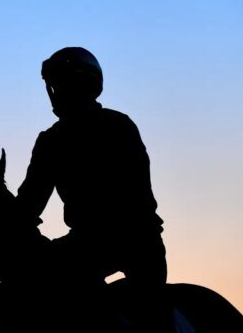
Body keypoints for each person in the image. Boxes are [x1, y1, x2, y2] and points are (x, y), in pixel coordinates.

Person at [16, 47, 169, 330]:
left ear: (83, 85)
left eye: (61, 84)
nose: (56, 92)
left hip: (137, 242)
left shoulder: (119, 127)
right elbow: (28, 206)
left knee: (152, 321)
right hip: (84, 244)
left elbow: (135, 201)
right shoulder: (50, 141)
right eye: (54, 86)